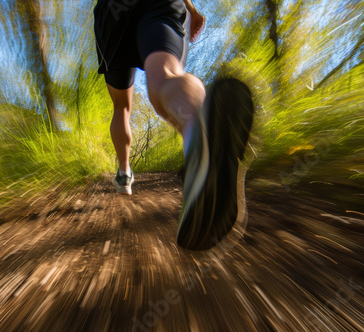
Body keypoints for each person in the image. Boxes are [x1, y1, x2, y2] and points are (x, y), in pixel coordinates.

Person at [94, 0, 255, 250]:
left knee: (121, 107)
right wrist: (192, 9)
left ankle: (124, 174)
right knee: (166, 73)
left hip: (113, 12)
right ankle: (198, 139)